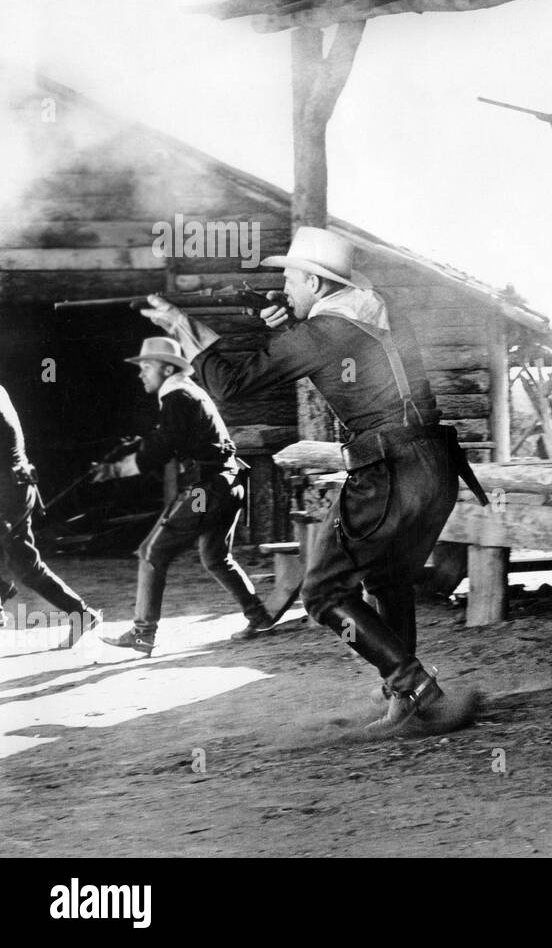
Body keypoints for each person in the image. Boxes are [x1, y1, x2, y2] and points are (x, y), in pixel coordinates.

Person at [136, 227, 480, 739]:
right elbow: (328, 324)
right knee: (386, 579)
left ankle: (417, 687)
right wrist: (289, 312)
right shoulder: (373, 309)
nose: (284, 288)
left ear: (318, 285)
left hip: (388, 471)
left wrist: (182, 322)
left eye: (291, 280)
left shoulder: (322, 334)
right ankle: (403, 695)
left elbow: (230, 383)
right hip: (436, 466)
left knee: (322, 593)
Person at [99, 338, 271, 655]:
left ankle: (142, 633)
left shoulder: (177, 396)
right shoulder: (187, 394)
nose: (140, 375)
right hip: (226, 484)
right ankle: (259, 616)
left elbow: (164, 445)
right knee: (216, 558)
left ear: (167, 368)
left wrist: (117, 469)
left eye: (146, 367)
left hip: (207, 490)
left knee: (152, 553)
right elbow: (169, 437)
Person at [0, 383, 102, 648]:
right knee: (25, 564)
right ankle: (81, 614)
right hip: (16, 486)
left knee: (24, 563)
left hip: (6, 492)